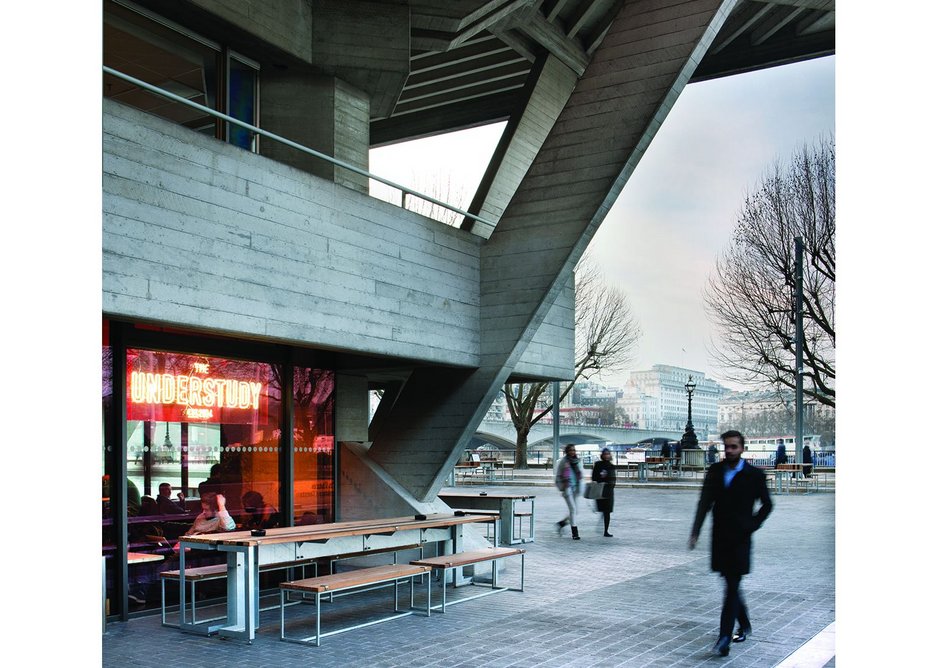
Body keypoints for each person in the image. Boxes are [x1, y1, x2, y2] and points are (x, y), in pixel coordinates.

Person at [689, 430, 772, 658]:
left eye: (734, 447)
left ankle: (724, 637)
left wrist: (752, 525)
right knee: (730, 584)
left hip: (740, 539)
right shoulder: (715, 471)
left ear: (742, 448)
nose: (729, 451)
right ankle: (744, 623)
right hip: (720, 538)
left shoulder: (754, 475)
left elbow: (767, 505)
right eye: (727, 447)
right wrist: (695, 530)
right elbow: (705, 501)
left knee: (732, 586)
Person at [555, 444, 583, 540]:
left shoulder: (577, 461)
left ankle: (561, 523)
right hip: (567, 488)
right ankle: (575, 533)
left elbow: (580, 473)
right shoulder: (563, 462)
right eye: (570, 450)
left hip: (575, 488)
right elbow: (558, 476)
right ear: (567, 452)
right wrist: (562, 487)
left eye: (573, 450)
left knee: (575, 511)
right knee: (573, 509)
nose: (572, 452)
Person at [591, 447, 616, 537]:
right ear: (602, 455)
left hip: (608, 492)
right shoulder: (598, 465)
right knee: (603, 510)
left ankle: (606, 530)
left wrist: (609, 485)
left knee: (607, 512)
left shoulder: (611, 466)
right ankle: (602, 528)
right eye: (605, 454)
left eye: (608, 454)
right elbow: (594, 477)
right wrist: (600, 479)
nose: (607, 455)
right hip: (600, 490)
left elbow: (613, 480)